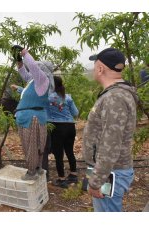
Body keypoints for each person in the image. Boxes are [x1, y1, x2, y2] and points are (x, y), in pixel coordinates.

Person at [83, 47, 138, 212]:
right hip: (107, 169)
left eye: (95, 65)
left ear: (100, 68)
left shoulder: (114, 97)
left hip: (110, 172)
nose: (93, 68)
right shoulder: (116, 94)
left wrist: (96, 181)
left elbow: (110, 144)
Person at [12, 44, 54, 180]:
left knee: (30, 146)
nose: (36, 68)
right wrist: (18, 61)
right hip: (32, 118)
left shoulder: (42, 80)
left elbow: (34, 68)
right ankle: (37, 168)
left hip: (31, 119)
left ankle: (31, 171)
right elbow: (24, 73)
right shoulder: (34, 82)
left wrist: (25, 53)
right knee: (36, 145)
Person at [46, 76, 79, 188]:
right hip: (70, 127)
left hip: (57, 128)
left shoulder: (48, 98)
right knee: (70, 151)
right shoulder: (68, 97)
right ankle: (73, 175)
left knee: (59, 155)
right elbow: (75, 113)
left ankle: (62, 179)